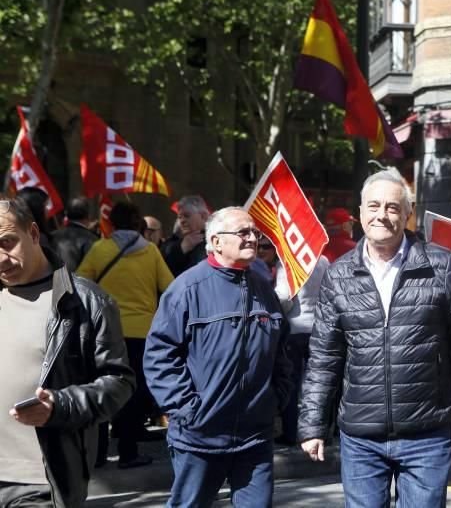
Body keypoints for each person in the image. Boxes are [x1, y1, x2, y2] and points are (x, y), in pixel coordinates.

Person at [298, 170, 451, 508]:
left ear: (407, 213)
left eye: (392, 207)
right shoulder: (338, 275)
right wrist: (312, 424)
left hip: (427, 433)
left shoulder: (441, 265)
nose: (382, 215)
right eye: (373, 206)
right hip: (361, 437)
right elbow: (324, 359)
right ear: (360, 213)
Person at [144, 206, 293, 507]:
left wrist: (276, 400)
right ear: (215, 242)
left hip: (255, 436)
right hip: (199, 437)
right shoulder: (186, 289)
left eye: (254, 232)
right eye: (242, 232)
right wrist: (188, 410)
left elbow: (282, 353)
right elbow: (159, 356)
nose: (252, 238)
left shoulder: (264, 289)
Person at [0, 194, 135, 506]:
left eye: (7, 242)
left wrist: (59, 405)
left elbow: (119, 383)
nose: (2, 258)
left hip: (39, 482)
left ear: (33, 233)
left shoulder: (88, 302)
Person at [77, 201, 174, 469]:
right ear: (136, 224)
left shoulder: (100, 249)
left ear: (112, 222)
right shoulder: (151, 251)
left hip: (105, 331)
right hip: (142, 333)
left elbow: (80, 283)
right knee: (131, 392)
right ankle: (128, 454)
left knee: (101, 389)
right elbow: (169, 287)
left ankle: (97, 456)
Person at [273, 254, 330, 446]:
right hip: (318, 327)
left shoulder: (287, 260)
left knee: (291, 382)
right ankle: (323, 432)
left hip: (295, 328)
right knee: (319, 381)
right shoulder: (322, 260)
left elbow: (284, 296)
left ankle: (290, 432)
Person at [160, 195, 210, 276]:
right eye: (179, 217)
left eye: (187, 216)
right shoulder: (172, 242)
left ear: (203, 216)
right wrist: (181, 249)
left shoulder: (215, 241)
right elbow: (162, 270)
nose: (182, 221)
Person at [51, 196, 99, 272]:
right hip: (78, 282)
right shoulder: (92, 239)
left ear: (66, 215)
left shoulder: (51, 236)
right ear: (88, 215)